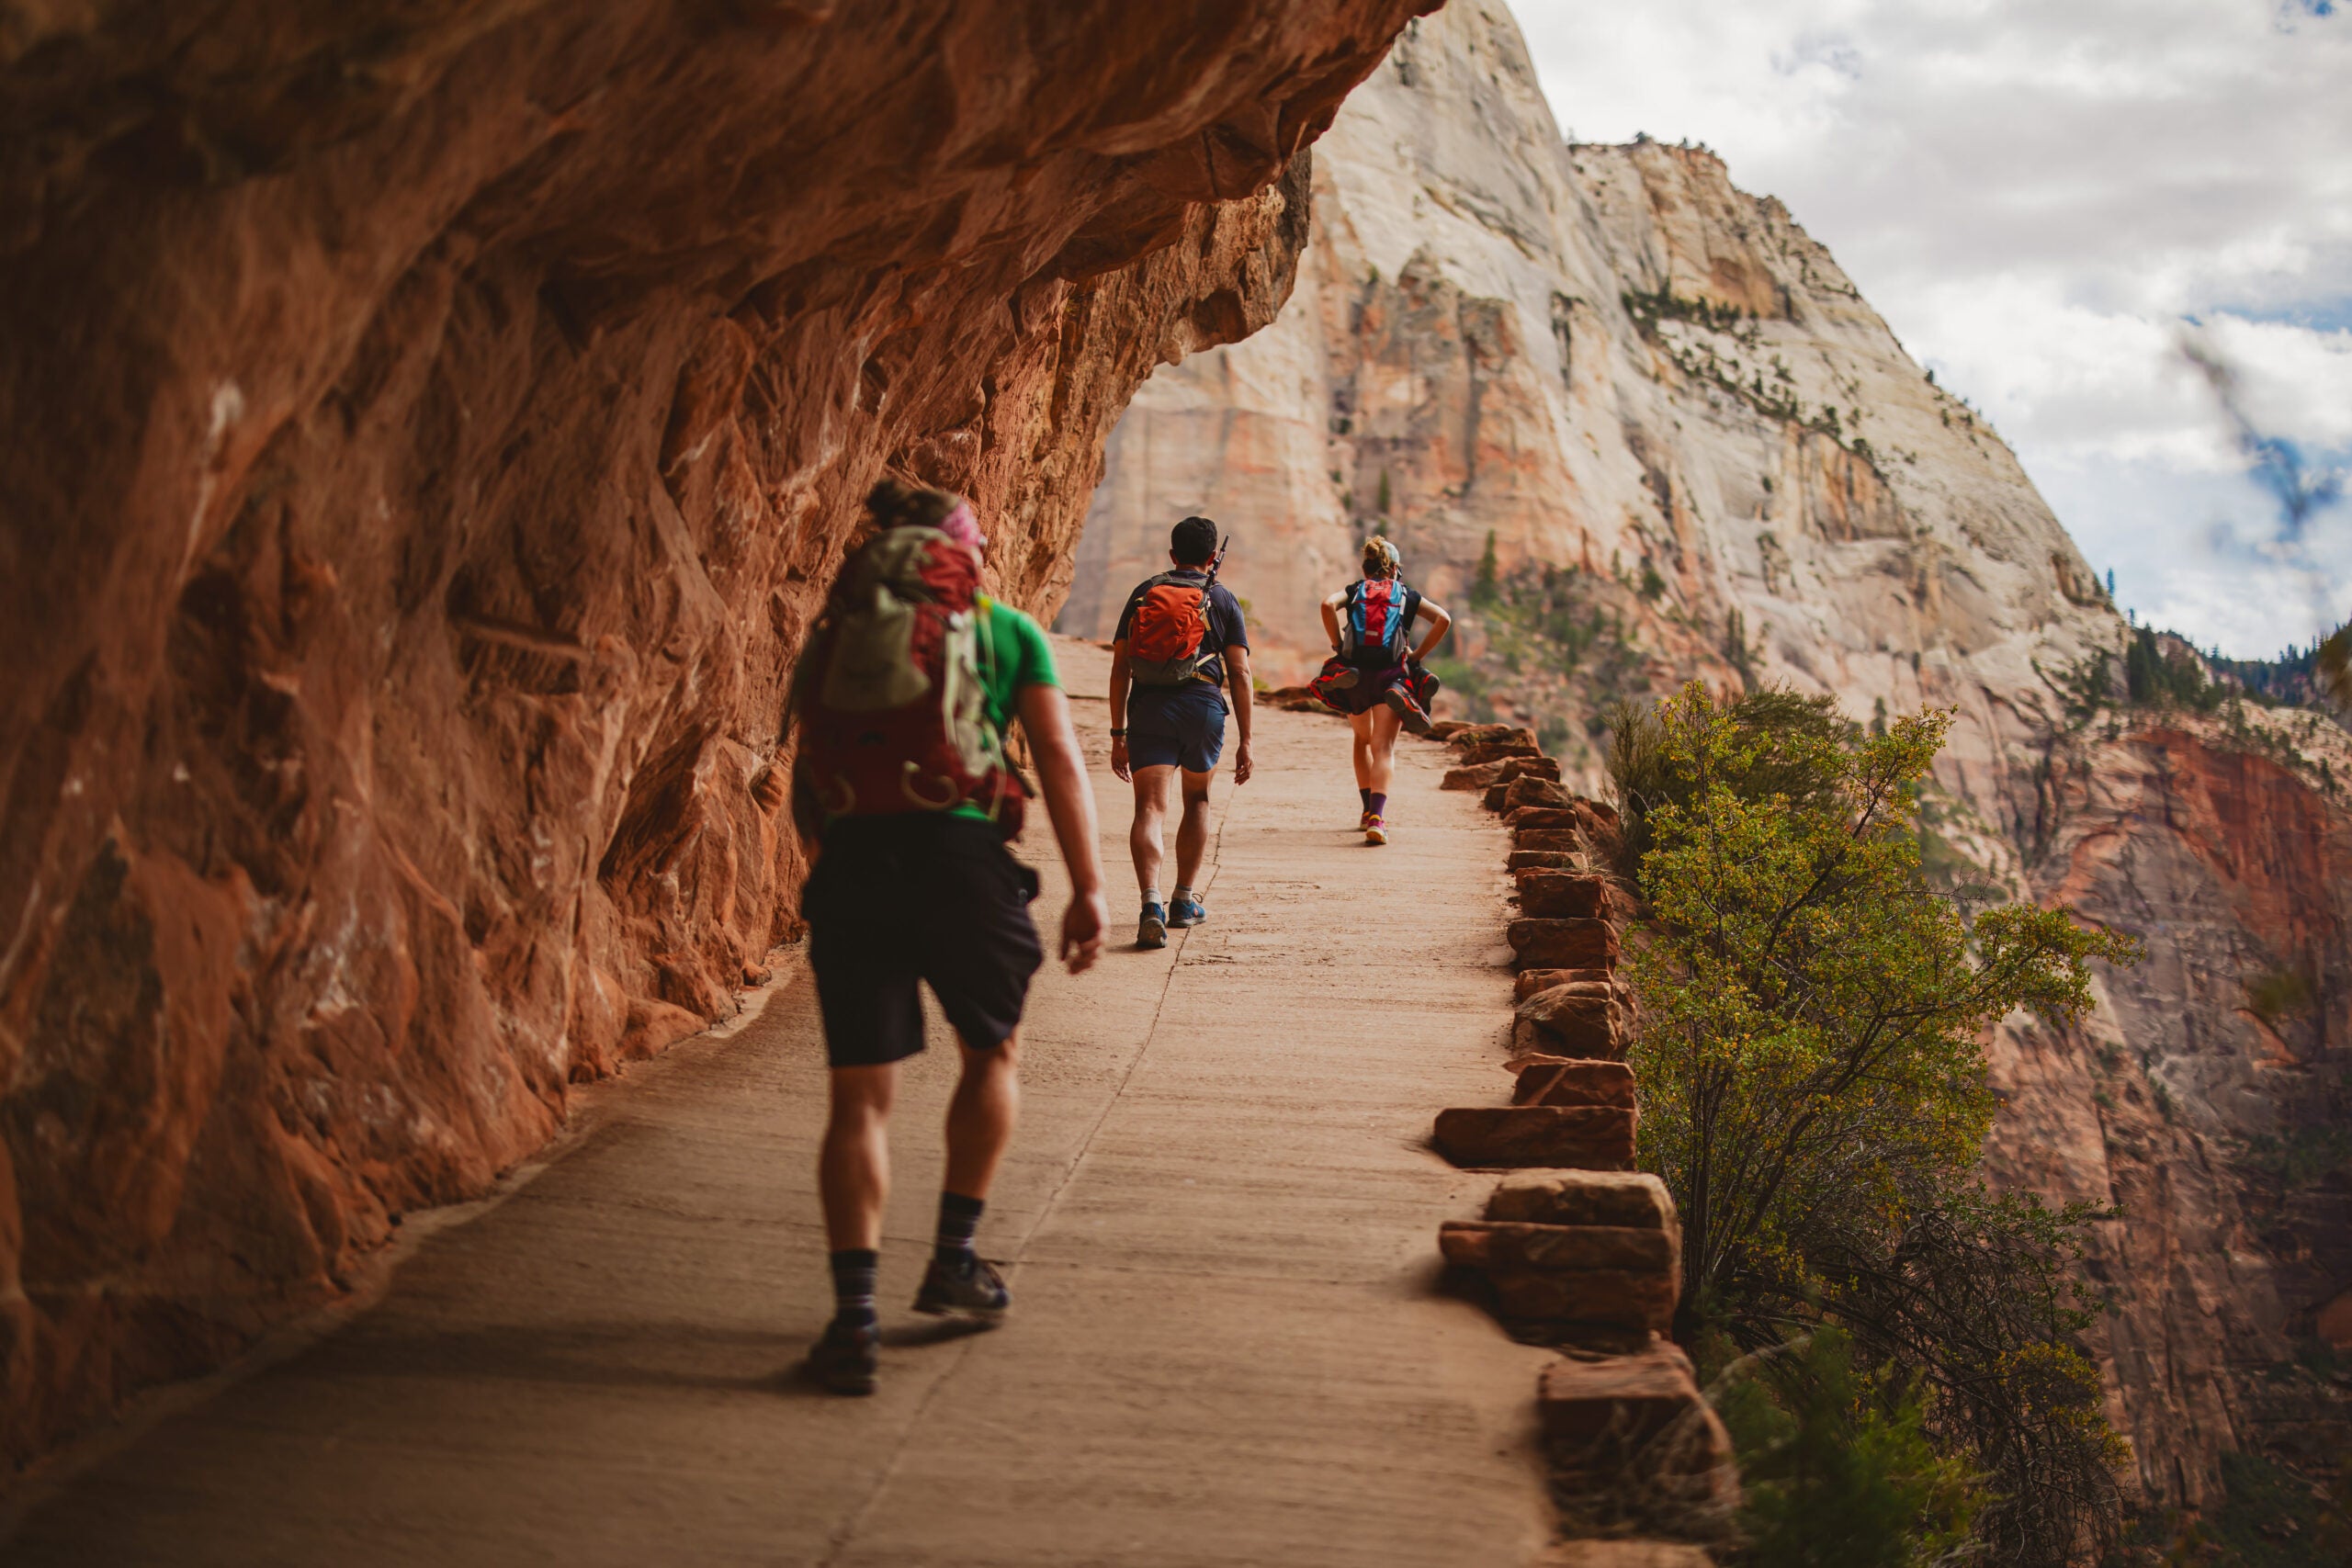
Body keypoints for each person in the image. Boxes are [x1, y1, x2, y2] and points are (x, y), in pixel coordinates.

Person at [790, 479, 1108, 1395]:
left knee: (859, 1100)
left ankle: (852, 1320)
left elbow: (810, 767)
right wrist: (1089, 888)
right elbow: (1058, 758)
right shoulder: (1005, 630)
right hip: (961, 859)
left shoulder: (838, 629)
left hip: (855, 859)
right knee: (992, 1051)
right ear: (966, 550)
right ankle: (953, 1259)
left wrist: (836, 866)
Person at [1106, 514, 1254, 948]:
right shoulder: (1222, 598)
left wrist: (1118, 734)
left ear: (1172, 554)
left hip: (1149, 708)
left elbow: (1120, 668)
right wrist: (1246, 740)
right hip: (1202, 708)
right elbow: (1240, 672)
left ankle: (1150, 904)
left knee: (1150, 808)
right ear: (1213, 557)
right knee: (1198, 799)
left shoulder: (1144, 592)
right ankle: (1184, 902)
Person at [1310, 536, 1453, 845]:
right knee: (1383, 747)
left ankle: (1365, 811)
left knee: (1362, 740)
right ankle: (1377, 818)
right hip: (1391, 675)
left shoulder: (1355, 591)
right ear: (1395, 569)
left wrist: (1338, 645)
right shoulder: (1406, 595)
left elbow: (1326, 605)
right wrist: (1417, 655)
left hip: (1355, 674)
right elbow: (1443, 619)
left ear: (1366, 568)